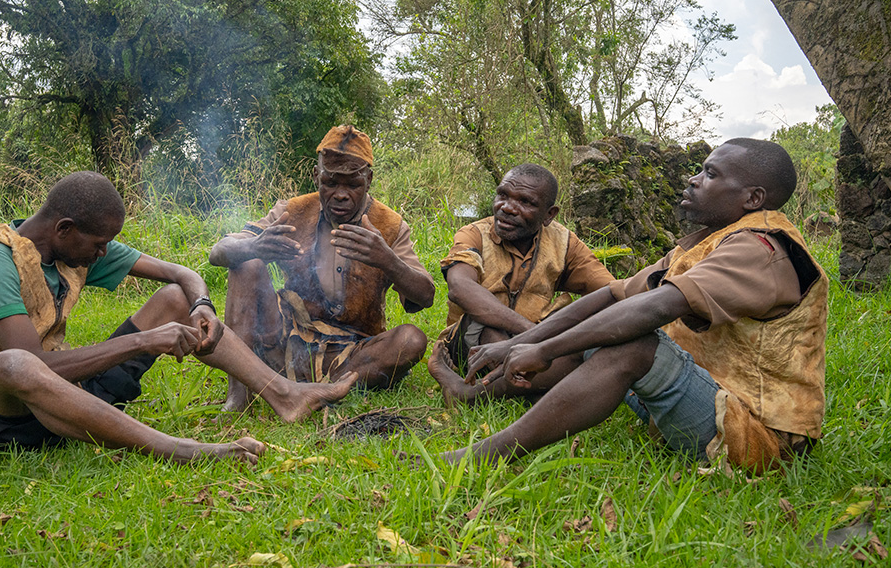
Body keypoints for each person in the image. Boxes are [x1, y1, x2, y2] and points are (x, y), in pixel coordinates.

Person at [434, 139, 828, 474]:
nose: (693, 179)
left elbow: (653, 308)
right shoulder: (708, 242)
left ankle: (486, 454)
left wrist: (543, 348)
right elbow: (611, 295)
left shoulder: (759, 248)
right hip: (715, 400)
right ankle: (475, 394)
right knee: (598, 326)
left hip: (760, 438)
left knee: (629, 341)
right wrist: (523, 342)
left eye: (710, 174)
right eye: (504, 196)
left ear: (753, 198)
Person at [0, 171, 356, 465]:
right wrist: (143, 341)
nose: (103, 254)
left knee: (176, 297)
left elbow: (183, 275)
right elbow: (33, 365)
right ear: (65, 229)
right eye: (99, 244)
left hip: (73, 391)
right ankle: (182, 449)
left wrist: (200, 307)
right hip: (7, 414)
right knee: (9, 364)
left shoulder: (68, 245)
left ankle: (284, 394)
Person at [210, 125, 435, 411]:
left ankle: (320, 389)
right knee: (245, 262)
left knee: (411, 339)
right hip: (285, 344)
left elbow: (425, 296)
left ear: (369, 179)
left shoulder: (388, 225)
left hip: (352, 354)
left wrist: (387, 259)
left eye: (352, 184)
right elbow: (219, 251)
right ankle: (238, 396)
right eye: (330, 182)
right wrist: (253, 247)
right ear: (317, 176)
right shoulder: (293, 210)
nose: (341, 194)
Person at [429, 163, 614, 403]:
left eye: (525, 202)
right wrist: (536, 334)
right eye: (503, 195)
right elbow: (460, 288)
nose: (506, 208)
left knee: (584, 338)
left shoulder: (565, 243)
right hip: (473, 341)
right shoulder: (474, 233)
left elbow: (612, 292)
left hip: (535, 345)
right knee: (485, 323)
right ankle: (534, 387)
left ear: (549, 215)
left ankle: (487, 392)